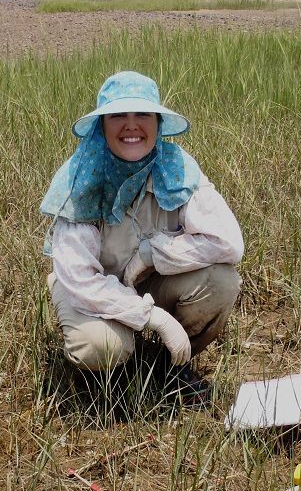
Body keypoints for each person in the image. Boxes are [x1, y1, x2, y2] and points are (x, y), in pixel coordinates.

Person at [40, 70, 244, 401]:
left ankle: (170, 370)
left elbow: (228, 243)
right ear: (102, 125)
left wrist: (152, 253)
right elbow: (80, 277)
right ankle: (105, 384)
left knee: (221, 281)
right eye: (118, 115)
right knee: (102, 345)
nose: (131, 125)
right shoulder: (80, 179)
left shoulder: (177, 168)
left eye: (143, 114)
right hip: (90, 291)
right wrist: (152, 317)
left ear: (158, 123)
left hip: (146, 281)